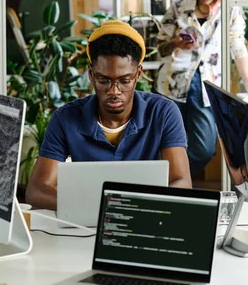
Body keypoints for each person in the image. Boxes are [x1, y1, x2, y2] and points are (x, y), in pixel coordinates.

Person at [26, 21, 192, 210]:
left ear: (139, 74)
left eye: (124, 80)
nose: (114, 91)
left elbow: (182, 182)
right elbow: (36, 190)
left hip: (145, 218)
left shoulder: (163, 113)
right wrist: (98, 209)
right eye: (104, 80)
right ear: (91, 74)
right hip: (85, 224)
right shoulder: (65, 118)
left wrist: (143, 207)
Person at [155, 0, 248, 179]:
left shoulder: (230, 11)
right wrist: (177, 43)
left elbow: (237, 47)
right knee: (167, 143)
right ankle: (170, 189)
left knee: (204, 148)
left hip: (207, 87)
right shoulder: (178, 8)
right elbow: (160, 48)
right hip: (172, 86)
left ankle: (174, 179)